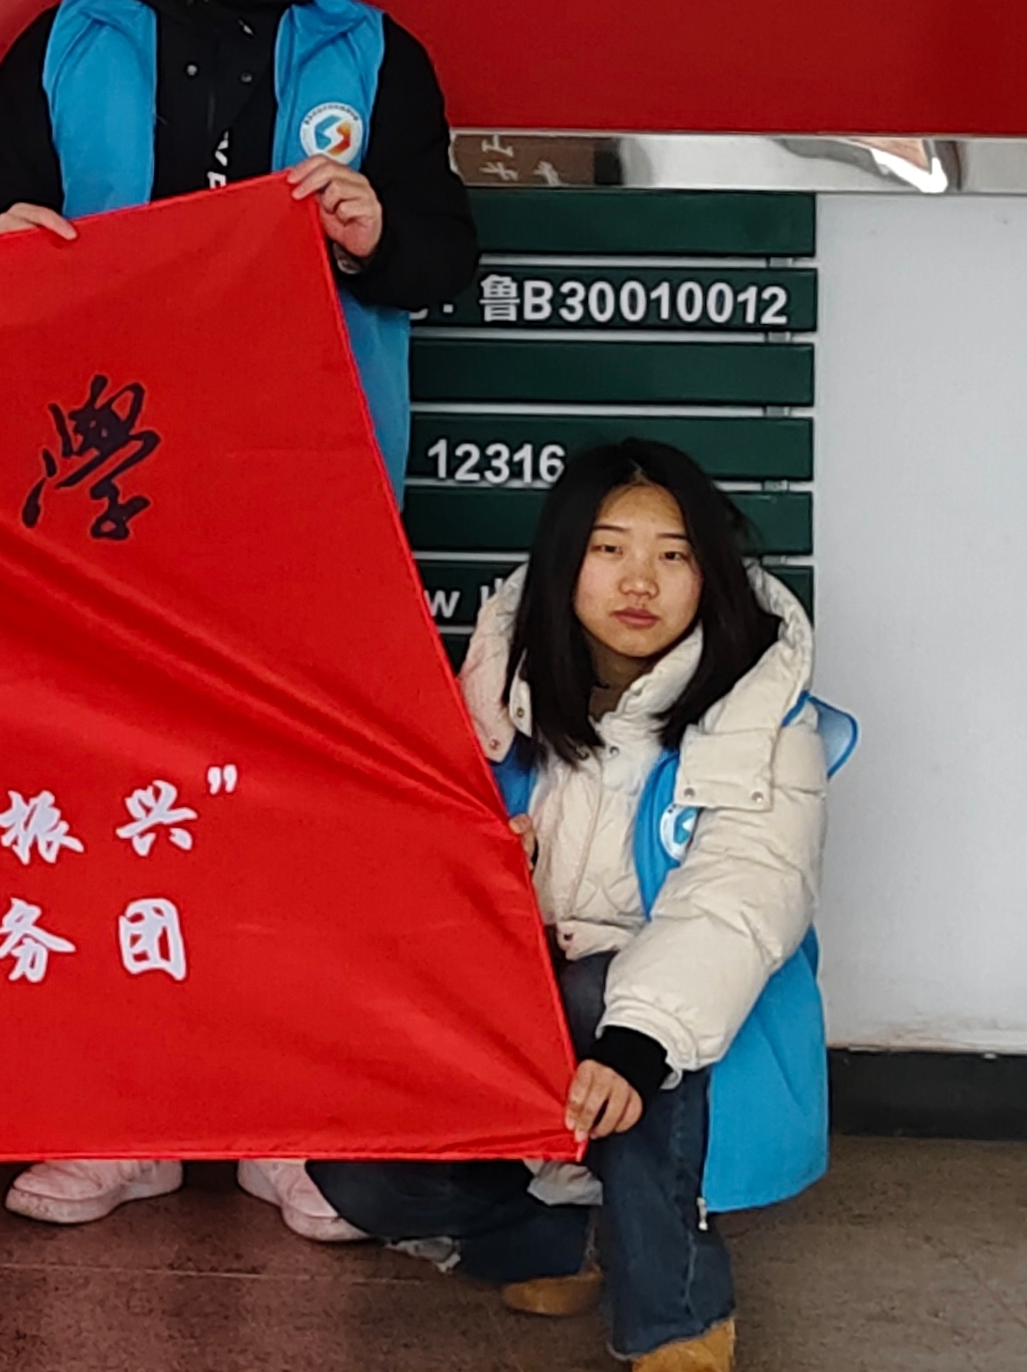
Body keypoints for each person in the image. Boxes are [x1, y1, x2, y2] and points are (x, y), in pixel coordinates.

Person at [0, 0, 479, 1229]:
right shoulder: (65, 42)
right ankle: (125, 1114)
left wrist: (375, 227)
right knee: (108, 792)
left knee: (291, 806)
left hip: (305, 492)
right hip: (103, 497)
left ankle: (287, 1121)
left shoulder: (372, 52)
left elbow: (446, 254)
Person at [298, 440, 843, 1372]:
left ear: (708, 573)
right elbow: (405, 863)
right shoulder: (494, 691)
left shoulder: (764, 716)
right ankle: (555, 1243)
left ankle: (676, 1314)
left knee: (610, 1006)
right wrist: (481, 875)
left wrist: (637, 1038)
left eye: (673, 554)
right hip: (516, 1003)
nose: (640, 581)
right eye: (608, 548)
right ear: (563, 561)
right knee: (357, 1166)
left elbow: (742, 894)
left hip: (677, 1022)